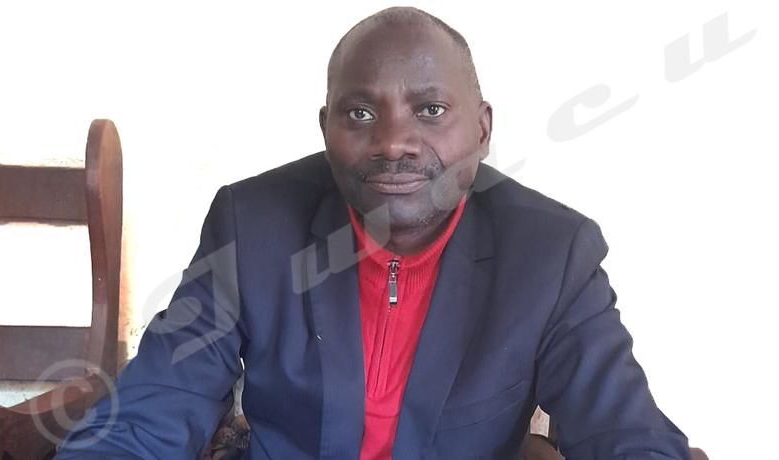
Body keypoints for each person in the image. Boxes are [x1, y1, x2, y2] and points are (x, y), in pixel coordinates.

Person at [56, 7, 692, 459]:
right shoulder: (253, 225)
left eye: (430, 110)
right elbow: (153, 405)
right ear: (325, 127)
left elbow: (624, 433)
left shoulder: (551, 254)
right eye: (360, 112)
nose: (392, 142)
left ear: (482, 129)